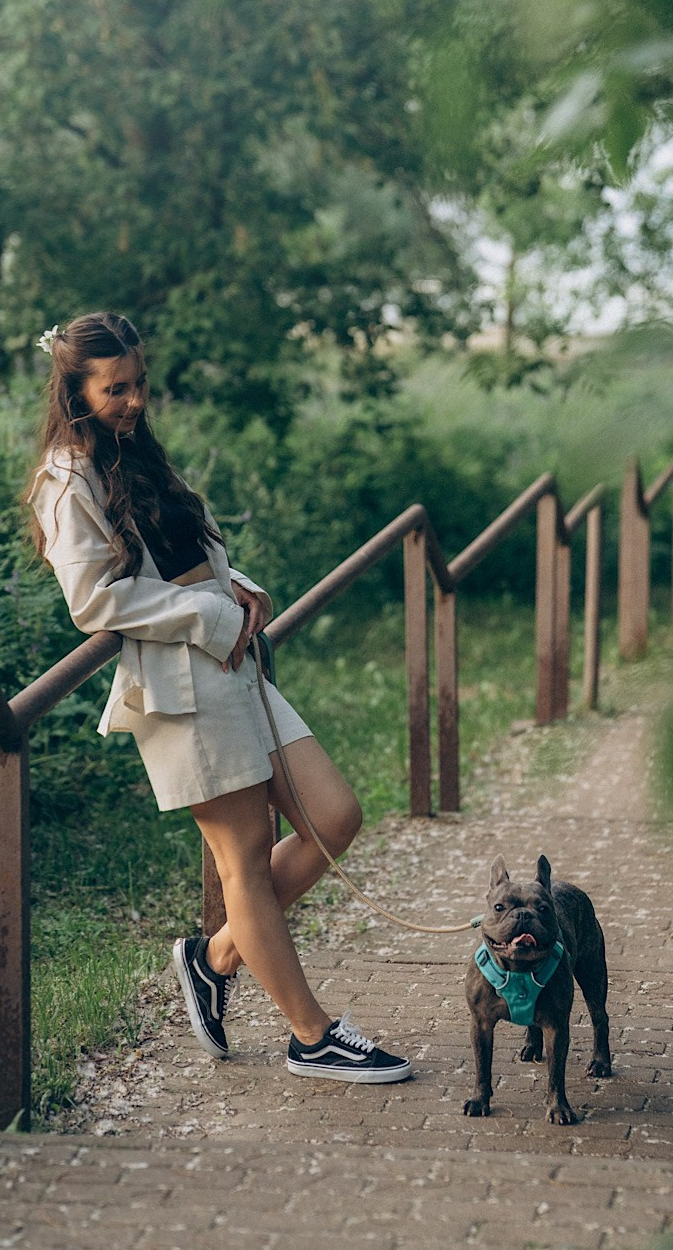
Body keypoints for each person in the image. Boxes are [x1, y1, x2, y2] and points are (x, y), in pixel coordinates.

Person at [24, 311, 412, 1083]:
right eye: (115, 389)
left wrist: (237, 586)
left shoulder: (137, 454)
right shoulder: (65, 479)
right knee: (243, 864)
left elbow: (185, 552)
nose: (133, 401)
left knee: (335, 817)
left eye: (139, 384)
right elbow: (94, 601)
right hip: (180, 683)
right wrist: (207, 612)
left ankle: (213, 958)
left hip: (232, 666)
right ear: (73, 392)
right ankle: (311, 1036)